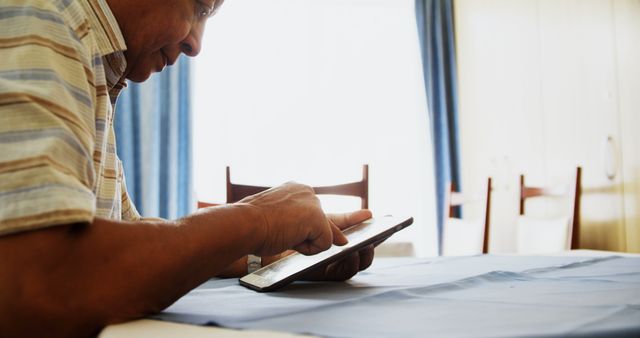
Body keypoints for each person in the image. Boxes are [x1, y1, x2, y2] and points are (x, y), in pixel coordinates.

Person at [0, 0, 377, 337]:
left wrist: (274, 258)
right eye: (200, 7)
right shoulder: (44, 18)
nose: (196, 44)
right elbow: (43, 285)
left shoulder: (90, 60)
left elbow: (123, 241)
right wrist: (258, 220)